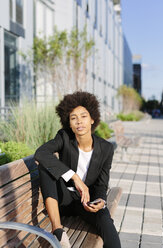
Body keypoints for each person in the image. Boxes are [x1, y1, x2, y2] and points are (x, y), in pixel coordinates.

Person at [34, 91, 121, 248]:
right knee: (45, 167)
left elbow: (102, 184)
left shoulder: (106, 149)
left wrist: (100, 201)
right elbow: (40, 153)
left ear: (92, 119)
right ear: (69, 123)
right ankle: (58, 231)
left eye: (83, 116)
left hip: (86, 201)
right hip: (63, 198)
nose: (79, 121)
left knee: (105, 221)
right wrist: (74, 177)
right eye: (73, 118)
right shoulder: (64, 137)